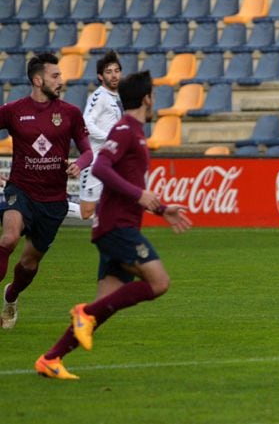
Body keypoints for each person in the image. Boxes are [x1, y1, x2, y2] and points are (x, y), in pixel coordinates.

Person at [35, 71, 192, 380]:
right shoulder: (125, 129)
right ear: (147, 98)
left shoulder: (134, 131)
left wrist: (162, 209)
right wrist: (140, 195)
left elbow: (132, 183)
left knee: (103, 307)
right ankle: (84, 313)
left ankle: (51, 359)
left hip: (118, 225)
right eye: (153, 96)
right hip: (116, 227)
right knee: (159, 283)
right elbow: (102, 168)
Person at [0, 53, 93, 329]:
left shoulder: (70, 113)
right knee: (8, 238)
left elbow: (88, 151)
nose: (61, 81)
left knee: (28, 265)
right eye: (55, 76)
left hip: (53, 201)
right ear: (38, 79)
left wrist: (80, 164)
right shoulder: (14, 110)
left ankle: (11, 295)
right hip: (21, 189)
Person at [71, 50, 123, 220]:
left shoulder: (116, 97)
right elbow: (86, 123)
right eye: (109, 72)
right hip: (94, 162)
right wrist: (110, 137)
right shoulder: (99, 96)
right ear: (101, 76)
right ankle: (45, 204)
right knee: (86, 213)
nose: (114, 75)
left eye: (116, 71)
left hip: (109, 162)